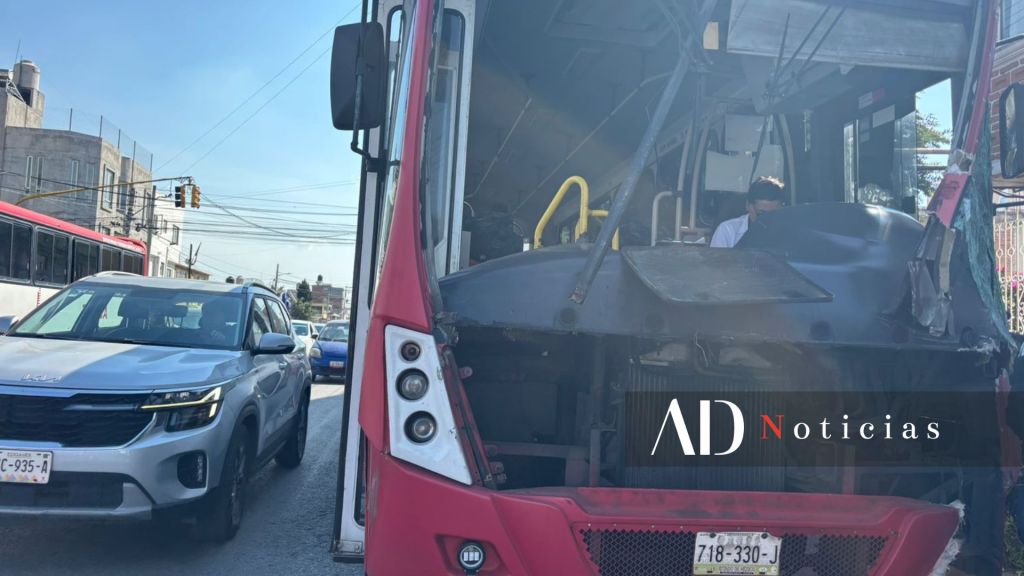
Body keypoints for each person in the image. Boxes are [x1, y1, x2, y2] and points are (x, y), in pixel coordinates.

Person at [709, 176, 786, 248]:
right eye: (762, 214)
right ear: (748, 205)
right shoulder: (727, 231)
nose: (768, 220)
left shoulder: (789, 231)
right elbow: (716, 258)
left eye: (773, 214)